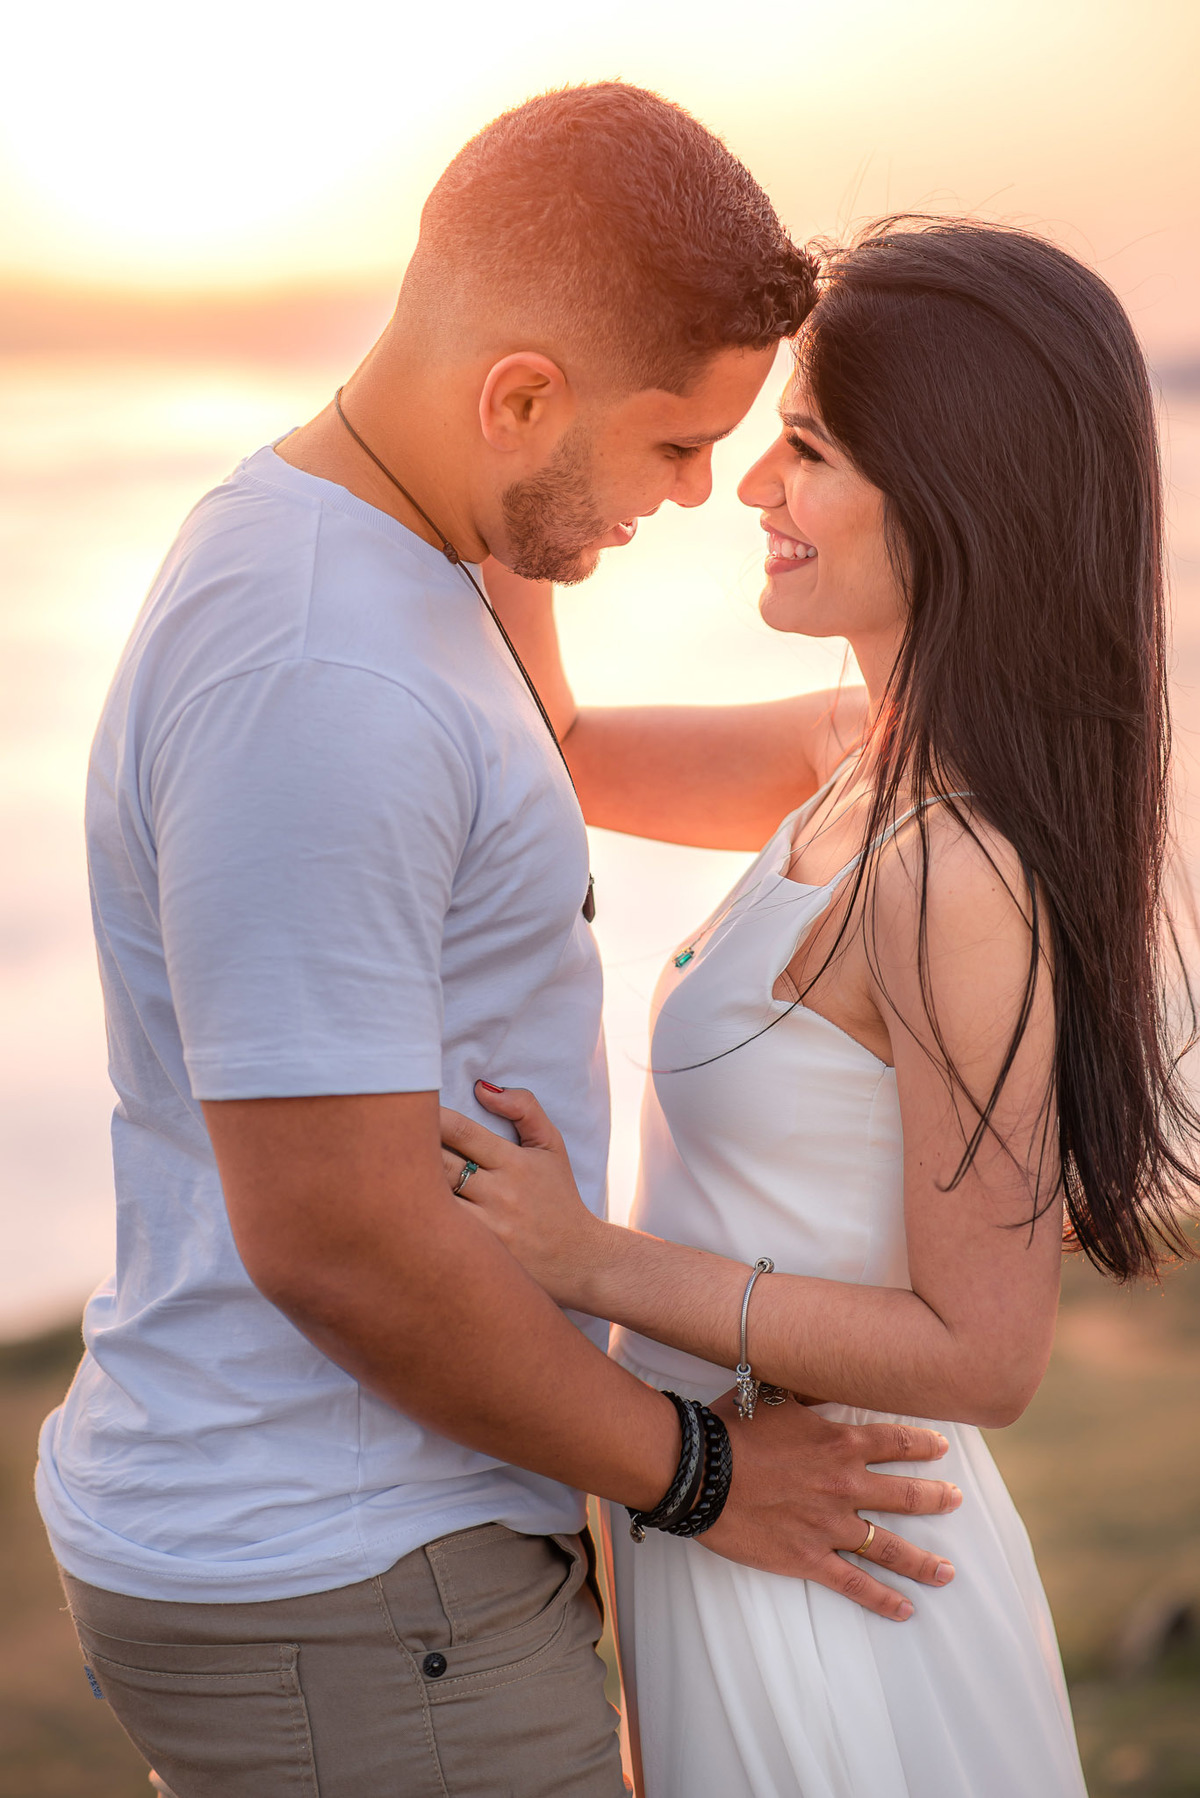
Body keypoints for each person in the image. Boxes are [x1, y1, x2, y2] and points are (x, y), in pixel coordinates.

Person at [35, 91, 963, 1798]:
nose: (697, 496)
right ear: (520, 395)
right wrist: (698, 1472)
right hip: (358, 1578)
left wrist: (928, 724)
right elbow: (340, 1241)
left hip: (371, 1554)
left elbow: (563, 745)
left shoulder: (405, 554)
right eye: (676, 446)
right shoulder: (324, 675)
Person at [441, 217, 1200, 1796]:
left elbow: (986, 1353)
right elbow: (561, 746)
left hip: (842, 1585)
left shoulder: (952, 873)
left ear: (948, 492)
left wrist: (594, 1260)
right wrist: (520, 473)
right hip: (733, 1528)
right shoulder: (850, 752)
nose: (754, 492)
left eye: (808, 448)